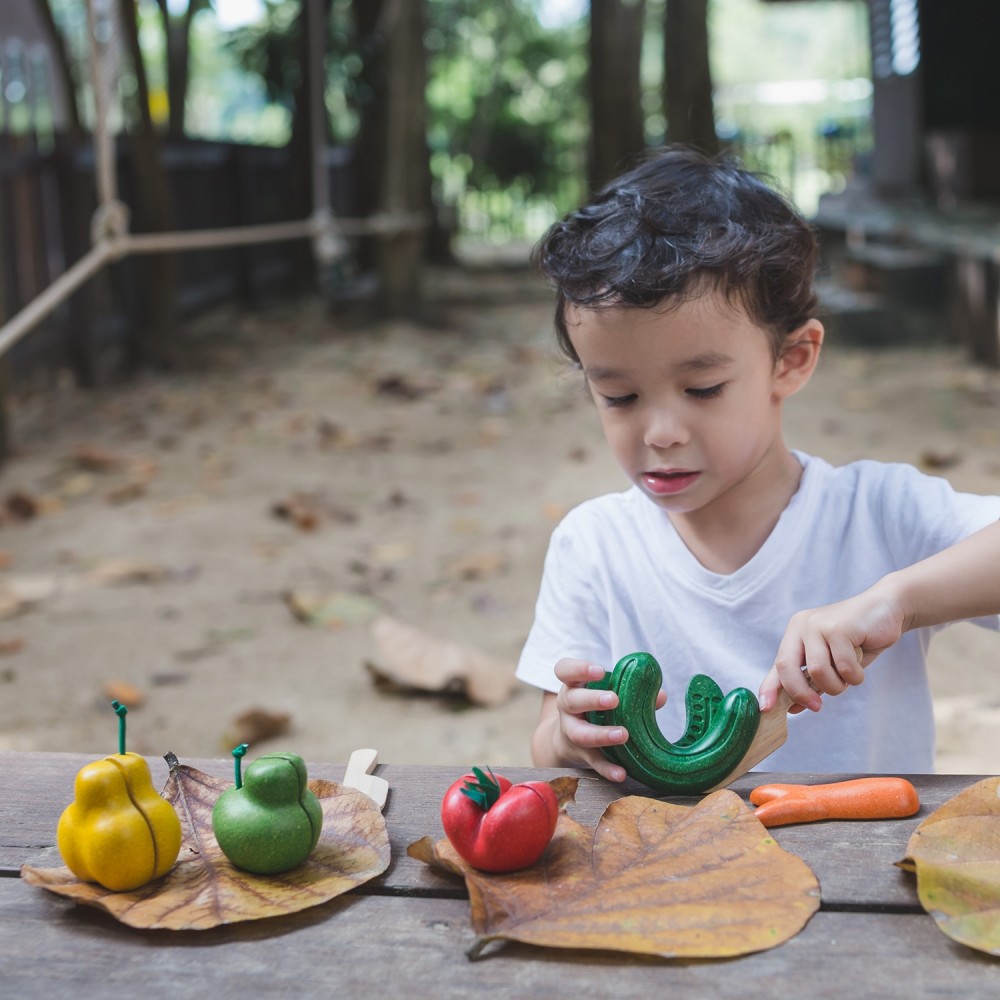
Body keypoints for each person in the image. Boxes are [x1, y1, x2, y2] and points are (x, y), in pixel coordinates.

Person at [516, 146, 1000, 783]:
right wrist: (569, 736)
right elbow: (549, 738)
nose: (660, 433)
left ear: (791, 360)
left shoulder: (878, 516)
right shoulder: (594, 545)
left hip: (858, 874)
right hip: (664, 873)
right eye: (619, 396)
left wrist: (899, 600)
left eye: (703, 389)